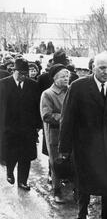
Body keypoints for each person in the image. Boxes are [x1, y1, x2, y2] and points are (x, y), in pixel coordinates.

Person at [59, 52, 107, 219]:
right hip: (85, 147)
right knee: (84, 182)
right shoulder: (78, 87)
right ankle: (81, 215)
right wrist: (64, 148)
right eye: (101, 68)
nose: (105, 72)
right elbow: (67, 119)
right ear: (93, 67)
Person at [0, 59, 42, 190]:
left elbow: (37, 106)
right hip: (9, 127)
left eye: (26, 73)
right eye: (21, 73)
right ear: (14, 70)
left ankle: (22, 181)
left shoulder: (33, 85)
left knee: (26, 156)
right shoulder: (3, 84)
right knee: (11, 153)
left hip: (27, 127)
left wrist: (37, 125)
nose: (24, 76)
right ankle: (10, 172)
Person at [40, 64, 70, 204]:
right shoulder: (48, 94)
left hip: (71, 133)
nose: (66, 79)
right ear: (55, 78)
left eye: (67, 76)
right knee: (56, 162)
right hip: (55, 133)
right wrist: (66, 118)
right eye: (63, 76)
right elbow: (46, 115)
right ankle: (57, 191)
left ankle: (76, 190)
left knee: (72, 160)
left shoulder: (71, 91)